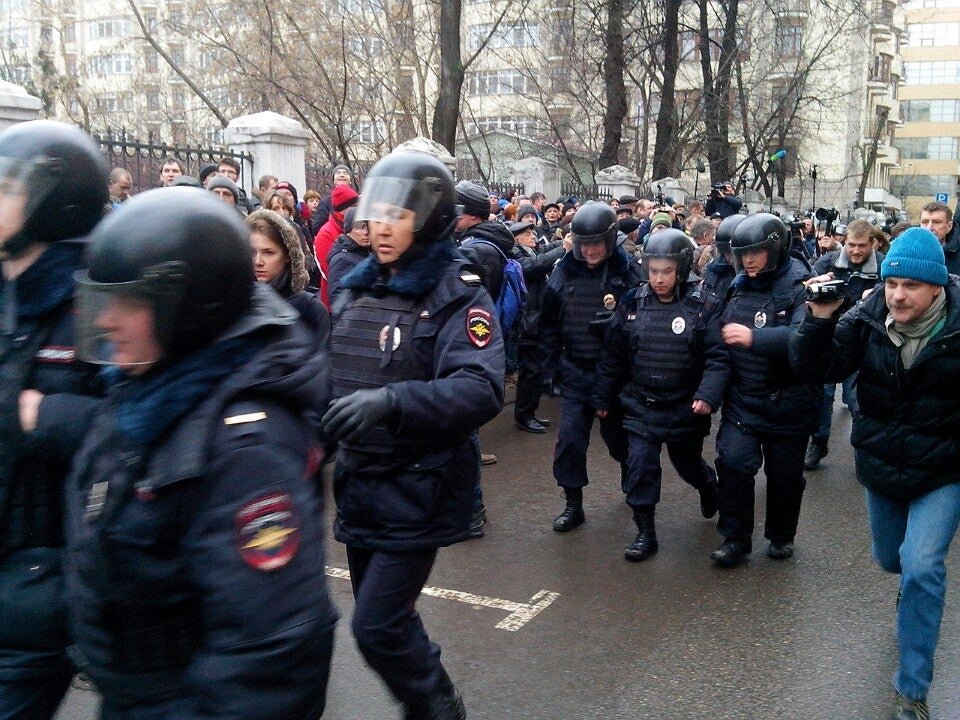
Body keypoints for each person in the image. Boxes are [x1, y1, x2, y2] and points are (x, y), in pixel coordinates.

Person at [64, 188, 337, 719]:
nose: (106, 321)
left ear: (186, 305)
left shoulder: (246, 449)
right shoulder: (148, 390)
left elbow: (270, 653)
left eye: (130, 302)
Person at [323, 150, 503, 719]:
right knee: (388, 619)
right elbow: (331, 374)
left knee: (375, 626)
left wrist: (392, 402)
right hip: (361, 481)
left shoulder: (458, 292)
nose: (382, 226)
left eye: (398, 215)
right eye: (377, 214)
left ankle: (437, 707)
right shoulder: (356, 288)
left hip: (419, 487)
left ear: (428, 221)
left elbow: (479, 387)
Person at [789, 227, 960, 720]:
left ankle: (912, 692)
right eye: (891, 284)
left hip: (944, 468)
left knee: (923, 564)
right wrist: (819, 319)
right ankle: (911, 593)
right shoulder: (866, 320)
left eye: (909, 286)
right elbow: (816, 369)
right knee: (894, 562)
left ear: (936, 288)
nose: (898, 295)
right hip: (883, 462)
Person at [0, 120, 109, 720]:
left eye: (7, 187)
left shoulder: (97, 301)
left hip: (56, 571)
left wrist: (41, 416)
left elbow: (142, 427)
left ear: (50, 199)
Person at [593, 229, 724, 560]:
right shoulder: (632, 302)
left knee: (687, 464)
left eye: (666, 271)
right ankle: (645, 533)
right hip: (641, 406)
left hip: (685, 407)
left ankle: (708, 484)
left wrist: (707, 396)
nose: (659, 278)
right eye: (654, 270)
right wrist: (603, 399)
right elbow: (613, 356)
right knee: (640, 466)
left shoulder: (703, 305)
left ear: (680, 269)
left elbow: (717, 357)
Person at [711, 212, 819, 567]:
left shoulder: (801, 284)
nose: (749, 260)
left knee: (785, 476)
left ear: (774, 248)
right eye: (743, 253)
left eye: (756, 252)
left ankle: (781, 535)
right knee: (733, 464)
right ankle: (735, 537)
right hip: (744, 399)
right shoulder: (737, 284)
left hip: (789, 400)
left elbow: (805, 337)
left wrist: (754, 338)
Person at [540, 201, 641, 532]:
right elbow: (549, 323)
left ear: (610, 241)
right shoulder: (563, 272)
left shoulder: (626, 273)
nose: (591, 250)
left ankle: (633, 481)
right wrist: (549, 368)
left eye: (597, 243)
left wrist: (619, 322)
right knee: (569, 439)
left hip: (615, 376)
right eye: (585, 244)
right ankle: (573, 503)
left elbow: (646, 319)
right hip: (576, 371)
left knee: (618, 440)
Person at [803, 219, 884, 470]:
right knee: (823, 394)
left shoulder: (883, 266)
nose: (856, 251)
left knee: (858, 397)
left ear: (873, 243)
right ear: (843, 242)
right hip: (830, 337)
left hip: (863, 339)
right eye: (851, 245)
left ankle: (864, 447)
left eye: (861, 245)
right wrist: (813, 285)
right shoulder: (828, 262)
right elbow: (803, 290)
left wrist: (876, 296)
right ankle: (818, 441)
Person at [510, 219, 568, 433]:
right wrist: (564, 248)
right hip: (527, 323)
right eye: (528, 234)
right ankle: (524, 415)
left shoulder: (529, 251)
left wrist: (565, 242)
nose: (533, 237)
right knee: (530, 371)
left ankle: (529, 412)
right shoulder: (516, 255)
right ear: (517, 238)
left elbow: (545, 250)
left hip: (535, 321)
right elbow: (534, 266)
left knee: (535, 369)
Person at [246, 208, 330, 340]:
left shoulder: (309, 309)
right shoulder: (238, 303)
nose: (258, 262)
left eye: (268, 252)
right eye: (252, 252)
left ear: (287, 255)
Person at [313, 184, 359, 309]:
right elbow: (328, 272)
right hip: (334, 303)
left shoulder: (358, 227)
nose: (358, 209)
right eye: (354, 205)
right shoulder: (325, 233)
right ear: (343, 209)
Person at [326, 206, 371, 306]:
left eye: (368, 227)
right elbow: (337, 300)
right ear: (349, 231)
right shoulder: (342, 259)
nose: (366, 232)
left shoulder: (367, 253)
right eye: (360, 227)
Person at [919, 200, 960, 275]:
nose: (929, 228)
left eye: (936, 222)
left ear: (949, 226)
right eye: (925, 222)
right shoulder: (903, 250)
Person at [312, 164, 354, 235]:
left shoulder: (357, 201)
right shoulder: (325, 202)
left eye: (345, 173)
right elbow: (317, 228)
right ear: (334, 181)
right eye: (338, 173)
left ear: (350, 181)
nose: (342, 175)